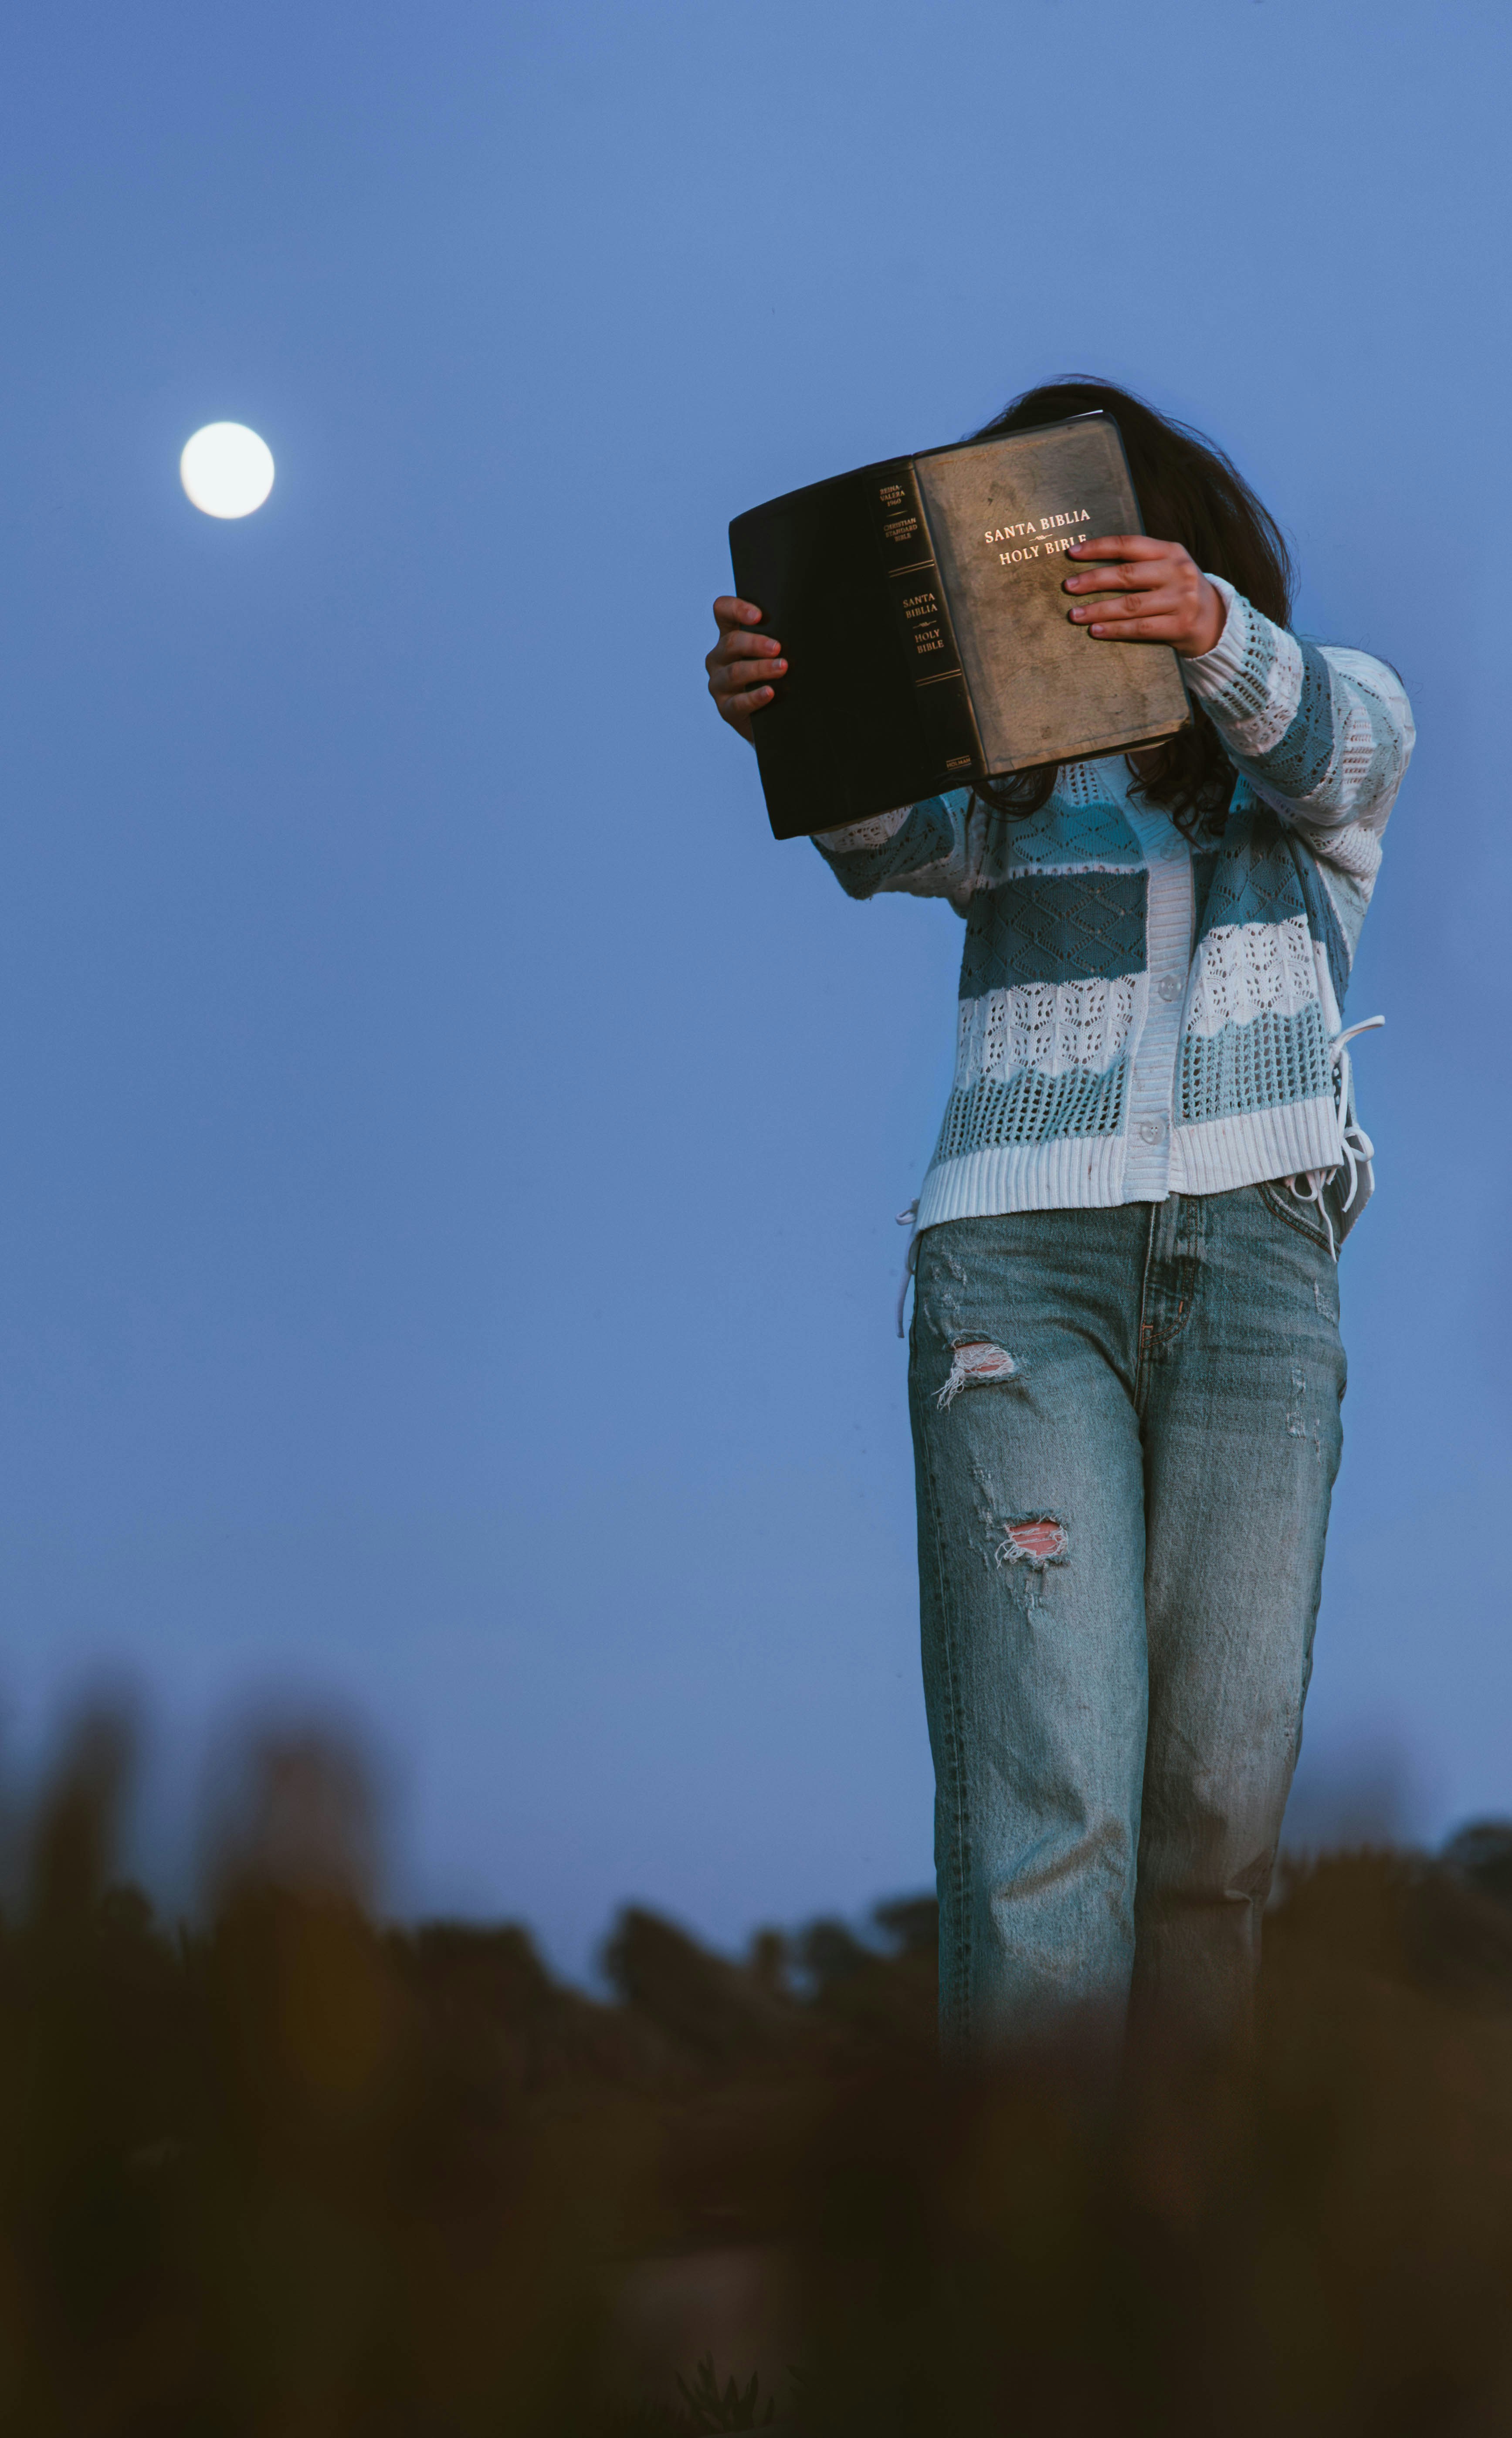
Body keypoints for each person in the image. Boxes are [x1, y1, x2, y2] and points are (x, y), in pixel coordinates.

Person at [705, 380, 1414, 2059]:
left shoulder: (1329, 723)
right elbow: (882, 841)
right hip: (1017, 1268)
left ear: (1189, 543)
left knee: (1217, 1815)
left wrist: (1211, 633)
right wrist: (790, 724)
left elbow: (1341, 746)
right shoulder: (1010, 792)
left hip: (1261, 1266)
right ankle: (1023, 2287)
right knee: (1050, 1797)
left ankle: (1162, 2273)